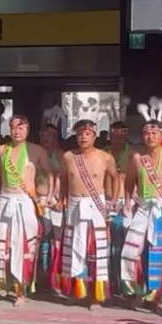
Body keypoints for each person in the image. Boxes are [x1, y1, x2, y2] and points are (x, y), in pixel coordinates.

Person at [120, 99, 162, 313]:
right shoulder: (137, 158)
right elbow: (129, 182)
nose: (150, 137)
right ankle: (137, 292)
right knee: (131, 251)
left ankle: (160, 297)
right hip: (143, 207)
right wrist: (127, 202)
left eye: (154, 133)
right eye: (146, 133)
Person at [0, 114, 51, 307]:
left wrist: (46, 196)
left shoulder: (37, 150)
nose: (17, 131)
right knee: (2, 245)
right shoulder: (1, 150)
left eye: (21, 127)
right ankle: (2, 283)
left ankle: (21, 290)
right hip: (6, 199)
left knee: (23, 245)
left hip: (25, 200)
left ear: (27, 129)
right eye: (13, 127)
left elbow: (47, 175)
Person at [58, 118, 120, 309]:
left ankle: (96, 296)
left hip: (96, 206)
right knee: (74, 249)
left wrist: (113, 201)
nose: (83, 137)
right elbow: (64, 180)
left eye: (87, 134)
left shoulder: (105, 157)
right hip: (75, 205)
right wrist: (62, 198)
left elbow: (115, 179)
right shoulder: (68, 156)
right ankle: (77, 291)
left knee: (96, 251)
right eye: (79, 134)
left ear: (94, 136)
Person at [104, 98, 132, 292]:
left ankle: (124, 281)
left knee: (124, 245)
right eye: (114, 137)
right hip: (105, 201)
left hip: (126, 204)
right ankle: (109, 280)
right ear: (109, 137)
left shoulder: (134, 155)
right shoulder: (101, 154)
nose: (117, 140)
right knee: (106, 245)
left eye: (121, 137)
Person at [38, 106, 65, 293]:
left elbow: (65, 179)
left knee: (57, 238)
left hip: (56, 201)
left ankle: (55, 277)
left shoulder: (63, 156)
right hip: (37, 199)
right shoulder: (35, 153)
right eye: (43, 134)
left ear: (55, 136)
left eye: (50, 135)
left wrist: (60, 199)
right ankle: (40, 274)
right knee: (39, 236)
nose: (46, 138)